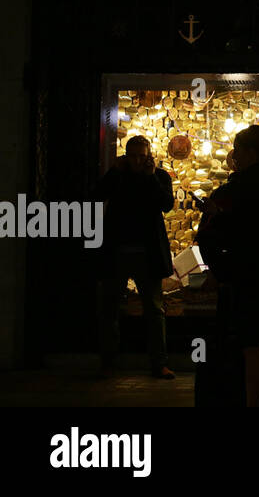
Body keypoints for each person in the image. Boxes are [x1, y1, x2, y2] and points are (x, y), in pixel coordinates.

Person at [198, 124, 259, 406]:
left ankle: (252, 403)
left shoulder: (245, 184)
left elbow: (239, 228)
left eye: (236, 149)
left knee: (250, 348)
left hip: (246, 274)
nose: (233, 154)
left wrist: (216, 215)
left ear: (248, 152)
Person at [94, 135, 176, 379]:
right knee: (109, 309)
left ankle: (158, 363)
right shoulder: (118, 176)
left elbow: (166, 204)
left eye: (142, 156)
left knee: (154, 310)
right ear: (126, 156)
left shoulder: (159, 177)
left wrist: (150, 178)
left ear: (149, 155)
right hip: (117, 252)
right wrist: (113, 173)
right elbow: (97, 194)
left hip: (147, 253)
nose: (138, 161)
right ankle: (108, 363)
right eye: (134, 156)